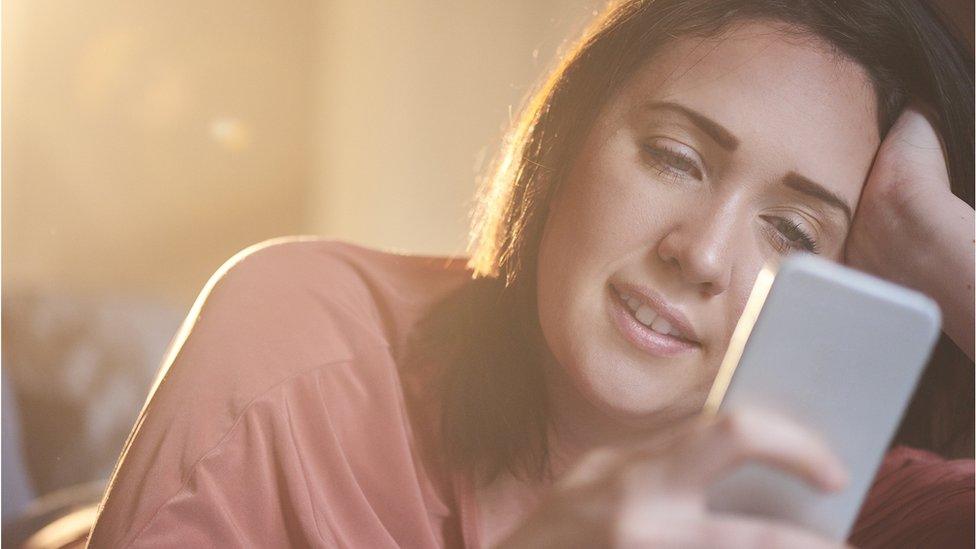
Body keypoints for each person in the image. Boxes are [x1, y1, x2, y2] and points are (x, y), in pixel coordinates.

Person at [87, 1, 974, 547]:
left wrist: (949, 261)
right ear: (568, 142)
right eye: (673, 156)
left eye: (790, 230)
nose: (700, 255)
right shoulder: (294, 337)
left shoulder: (876, 510)